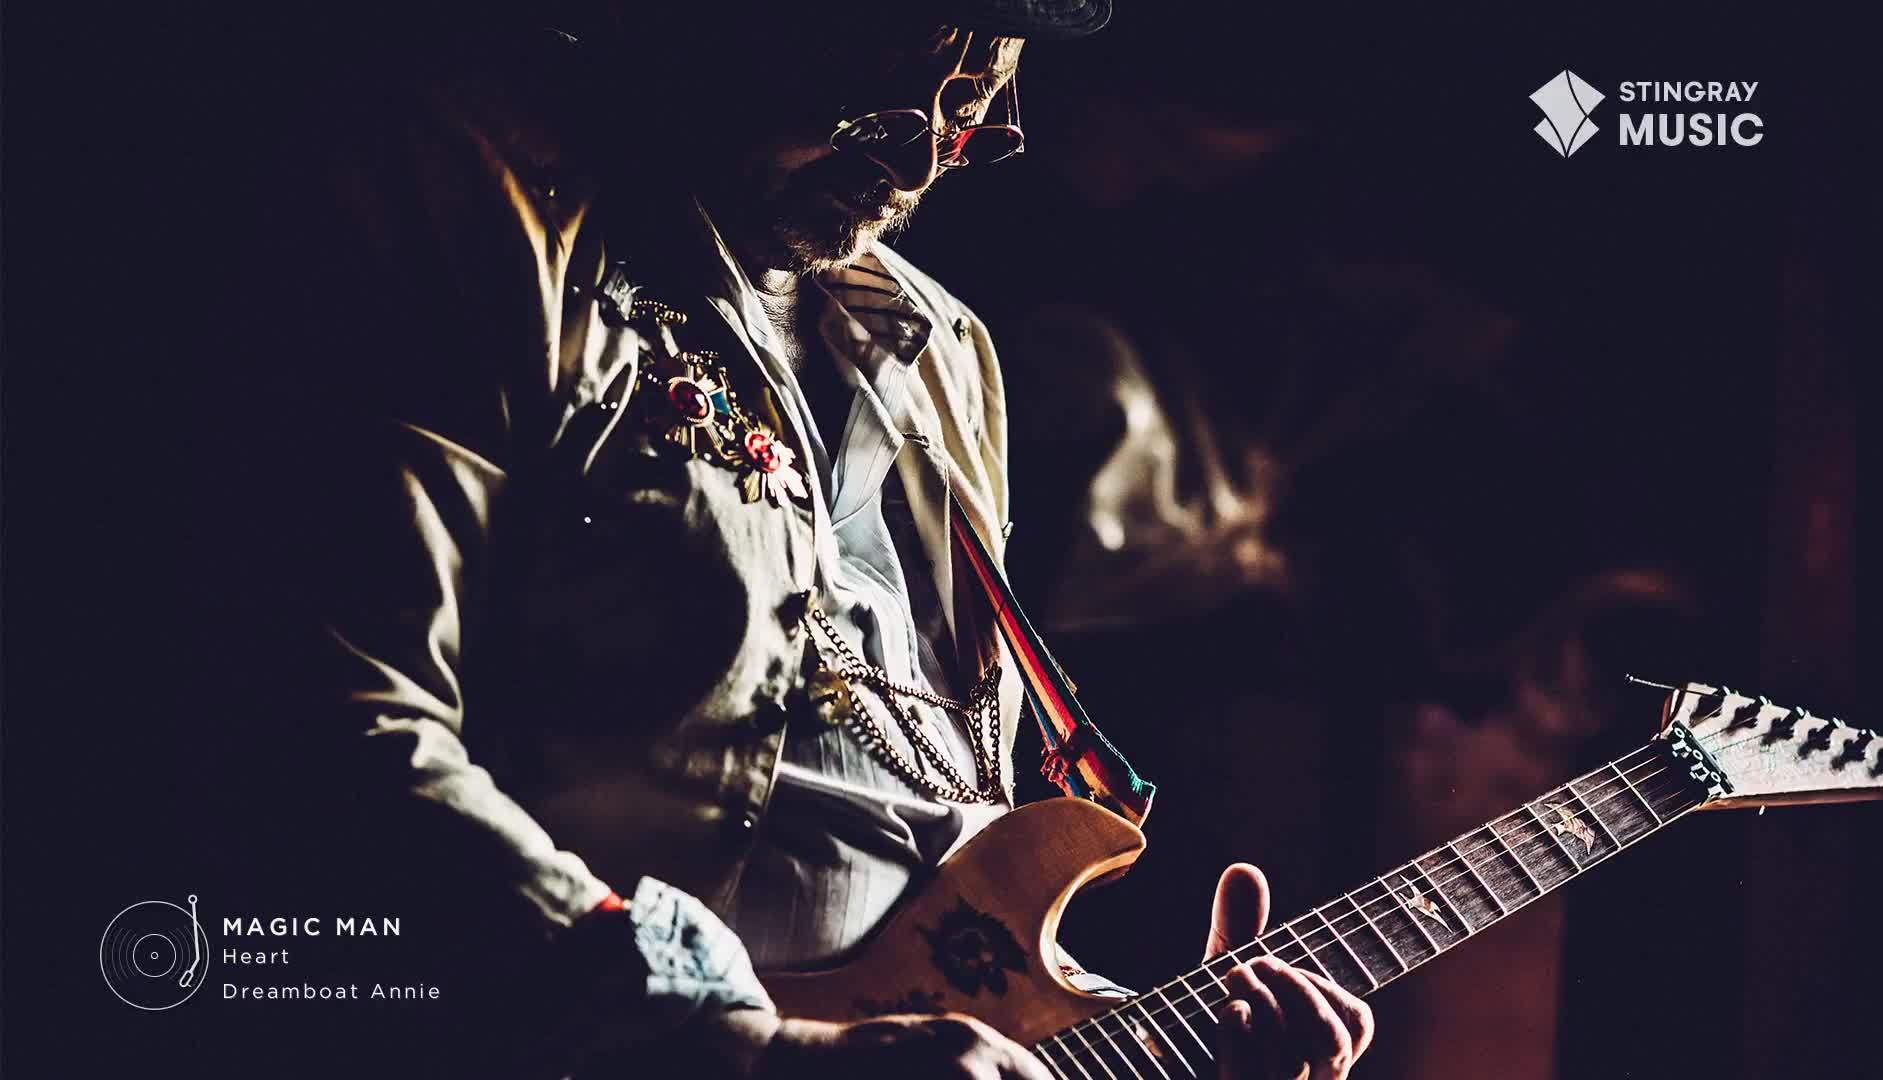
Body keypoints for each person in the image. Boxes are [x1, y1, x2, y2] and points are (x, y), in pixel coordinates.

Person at [273, 2, 1376, 1076]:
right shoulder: (489, 225)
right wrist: (744, 1045)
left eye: (972, 101)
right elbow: (336, 722)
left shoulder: (942, 350)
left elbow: (913, 837)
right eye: (880, 110)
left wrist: (1113, 1032)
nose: (935, 156)